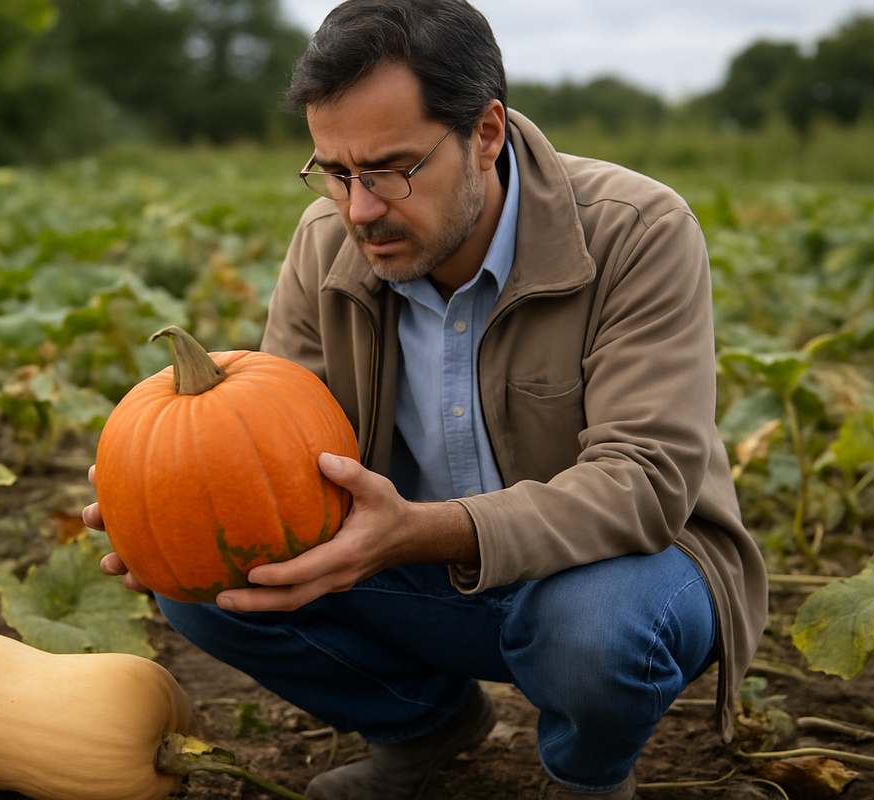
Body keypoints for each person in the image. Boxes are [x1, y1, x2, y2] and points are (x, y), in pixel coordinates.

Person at [83, 1, 768, 797]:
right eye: (334, 173)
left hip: (620, 574)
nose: (360, 208)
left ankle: (589, 778)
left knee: (592, 633)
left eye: (390, 169)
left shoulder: (637, 230)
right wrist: (171, 505)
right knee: (210, 584)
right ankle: (425, 727)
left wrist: (421, 530)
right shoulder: (325, 241)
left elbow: (644, 481)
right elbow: (282, 456)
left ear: (486, 132)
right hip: (418, 572)